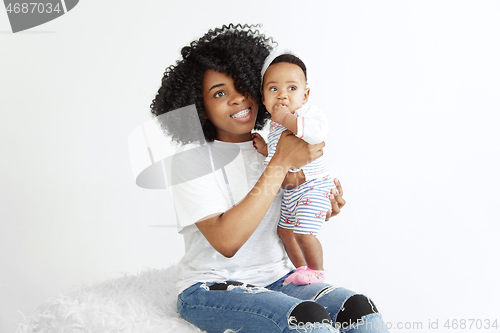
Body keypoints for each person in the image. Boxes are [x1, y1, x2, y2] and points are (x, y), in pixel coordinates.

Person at [151, 24, 389, 333]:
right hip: (209, 289)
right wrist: (280, 162)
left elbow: (289, 200)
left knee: (360, 310)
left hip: (278, 279)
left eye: (242, 86)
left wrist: (317, 204)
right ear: (200, 107)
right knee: (307, 322)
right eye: (220, 93)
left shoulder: (272, 146)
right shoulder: (191, 162)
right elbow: (227, 241)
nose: (237, 99)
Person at [252, 50, 334, 286]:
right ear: (264, 97)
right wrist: (266, 149)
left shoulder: (306, 114)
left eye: (292, 88)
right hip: (290, 191)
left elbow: (316, 133)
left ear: (305, 95)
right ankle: (301, 270)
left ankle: (317, 272)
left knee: (303, 234)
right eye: (273, 89)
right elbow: (283, 156)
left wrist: (287, 118)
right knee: (284, 232)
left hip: (313, 186)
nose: (282, 96)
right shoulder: (273, 125)